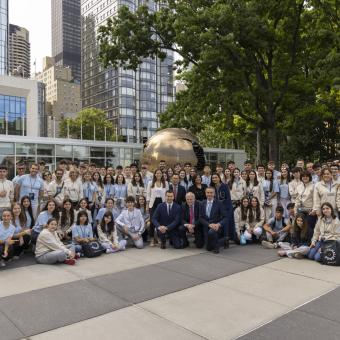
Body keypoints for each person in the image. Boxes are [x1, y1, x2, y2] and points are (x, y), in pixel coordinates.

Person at [199, 187, 228, 253]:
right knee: (208, 248)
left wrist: (218, 224)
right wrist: (209, 225)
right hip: (207, 226)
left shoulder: (219, 203)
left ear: (214, 194)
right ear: (205, 193)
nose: (209, 194)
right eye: (208, 192)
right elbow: (200, 218)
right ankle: (224, 239)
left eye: (211, 193)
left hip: (216, 226)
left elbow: (225, 217)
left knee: (211, 232)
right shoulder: (202, 203)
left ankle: (216, 247)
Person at [147, 169, 169, 246]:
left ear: (162, 174)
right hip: (153, 204)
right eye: (157, 173)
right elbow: (148, 195)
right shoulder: (150, 183)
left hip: (162, 203)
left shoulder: (165, 183)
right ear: (155, 174)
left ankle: (159, 237)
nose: (158, 174)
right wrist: (147, 205)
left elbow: (168, 194)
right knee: (153, 221)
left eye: (160, 173)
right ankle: (152, 239)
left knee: (161, 221)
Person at [211, 173, 235, 240]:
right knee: (219, 224)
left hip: (226, 208)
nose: (214, 179)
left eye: (216, 177)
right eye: (213, 178)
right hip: (217, 209)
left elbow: (228, 198)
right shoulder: (212, 187)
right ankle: (221, 239)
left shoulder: (224, 186)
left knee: (226, 224)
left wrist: (223, 207)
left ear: (219, 178)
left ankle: (226, 239)